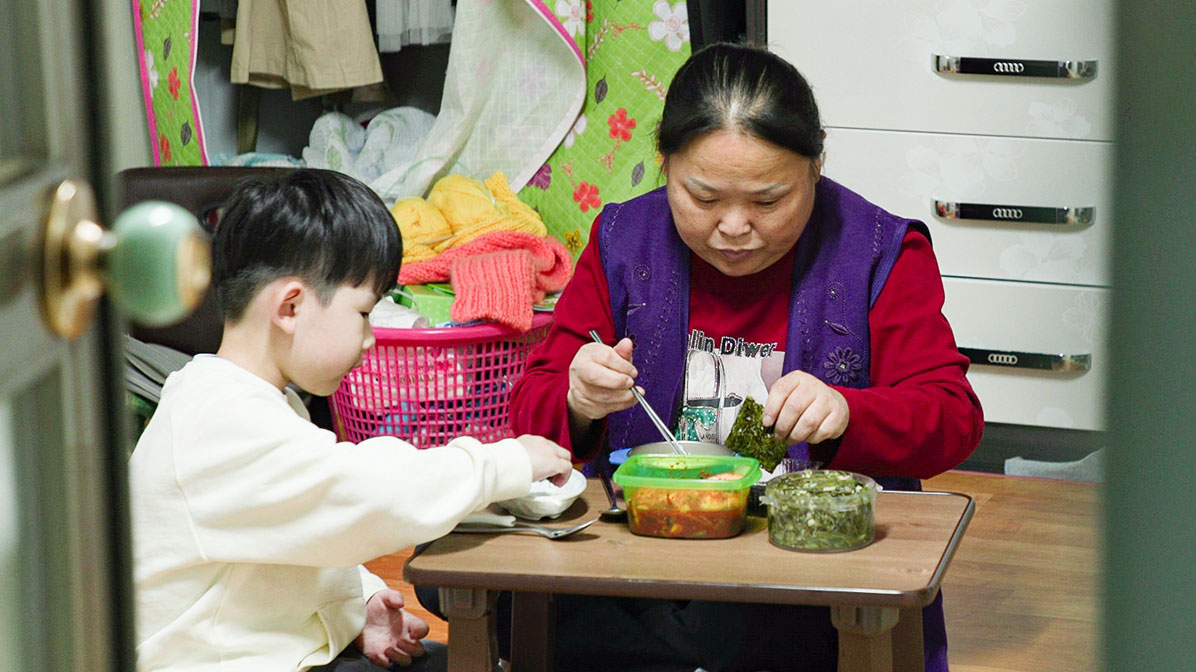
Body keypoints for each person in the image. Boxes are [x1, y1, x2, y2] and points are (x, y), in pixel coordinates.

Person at [507, 43, 984, 672]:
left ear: (816, 166)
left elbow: (952, 418)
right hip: (646, 554)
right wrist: (577, 400)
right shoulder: (625, 240)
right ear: (664, 164)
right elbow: (528, 416)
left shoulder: (878, 252)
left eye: (767, 201)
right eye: (703, 198)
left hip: (800, 567)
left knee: (732, 627)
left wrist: (848, 412)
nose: (733, 227)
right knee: (459, 577)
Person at [127, 169, 573, 672]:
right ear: (290, 307)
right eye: (364, 313)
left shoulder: (241, 400)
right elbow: (366, 490)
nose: (371, 339)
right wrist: (506, 460)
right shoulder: (219, 423)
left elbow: (298, 531)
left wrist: (358, 603)